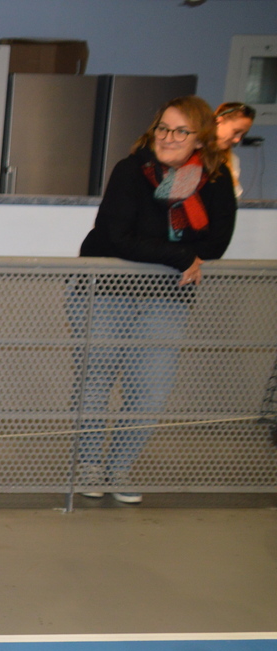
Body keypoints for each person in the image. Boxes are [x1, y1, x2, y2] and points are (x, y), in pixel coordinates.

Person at [75, 95, 237, 504]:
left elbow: (216, 243)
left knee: (150, 389)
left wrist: (171, 254)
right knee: (96, 381)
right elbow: (116, 237)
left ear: (200, 138)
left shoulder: (214, 180)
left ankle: (119, 468)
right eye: (163, 128)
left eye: (181, 131)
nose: (168, 137)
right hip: (105, 289)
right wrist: (180, 255)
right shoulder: (132, 170)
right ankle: (88, 466)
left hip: (168, 294)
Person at [214, 101, 256, 198]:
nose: (237, 139)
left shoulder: (233, 160)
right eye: (236, 132)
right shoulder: (191, 153)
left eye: (243, 135)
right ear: (218, 121)